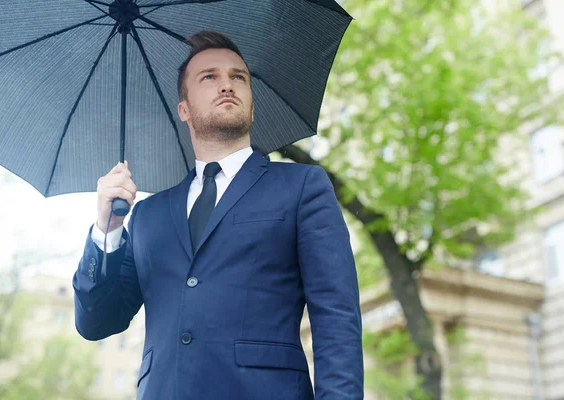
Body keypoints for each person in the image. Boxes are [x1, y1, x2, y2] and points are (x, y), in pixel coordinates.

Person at [73, 31, 363, 400]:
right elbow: (97, 322)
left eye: (238, 77)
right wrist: (108, 230)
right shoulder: (147, 216)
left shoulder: (302, 186)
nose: (227, 84)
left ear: (252, 105)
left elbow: (336, 318)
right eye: (209, 77)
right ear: (184, 109)